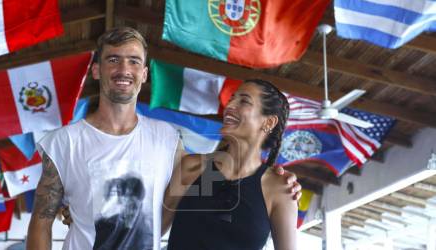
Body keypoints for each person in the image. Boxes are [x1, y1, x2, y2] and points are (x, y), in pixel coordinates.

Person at [26, 27, 301, 250]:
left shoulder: (167, 139)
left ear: (144, 74)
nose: (124, 69)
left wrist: (278, 177)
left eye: (134, 61)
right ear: (96, 70)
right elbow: (41, 224)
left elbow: (221, 184)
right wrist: (81, 208)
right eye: (113, 59)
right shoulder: (64, 142)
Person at [163, 79, 298, 250]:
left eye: (244, 101)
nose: (229, 105)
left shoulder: (278, 189)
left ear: (268, 122)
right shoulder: (195, 168)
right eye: (232, 98)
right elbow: (151, 230)